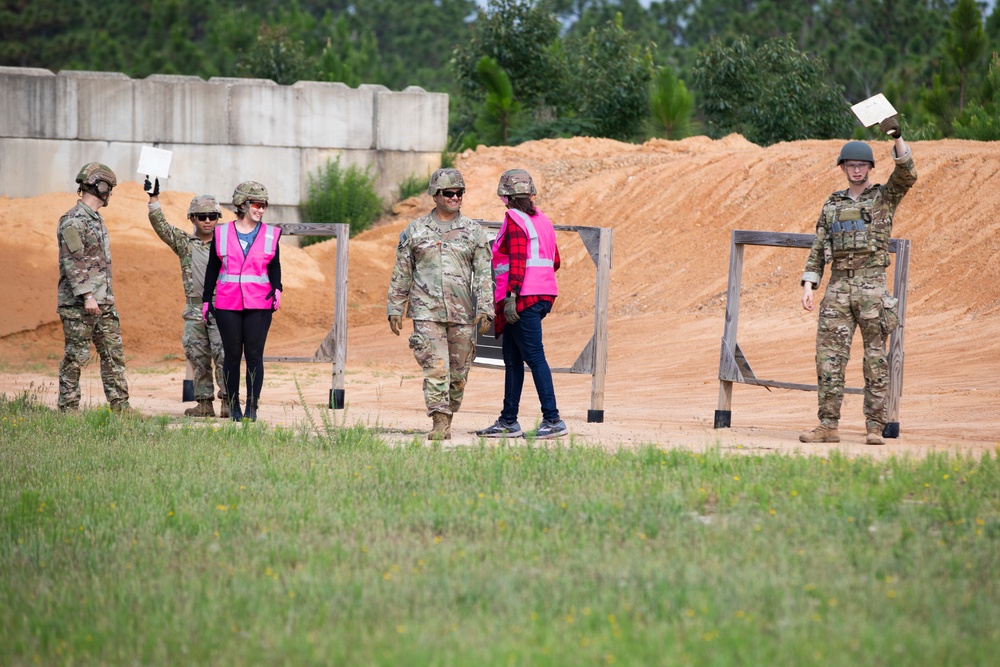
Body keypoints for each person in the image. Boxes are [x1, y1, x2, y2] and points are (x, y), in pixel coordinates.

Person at [799, 116, 917, 445]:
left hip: (872, 288)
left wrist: (897, 137)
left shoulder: (883, 198)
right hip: (837, 287)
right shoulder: (832, 205)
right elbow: (819, 245)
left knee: (876, 360)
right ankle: (827, 425)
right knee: (828, 359)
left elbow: (908, 175)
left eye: (862, 165)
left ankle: (875, 427)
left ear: (869, 168)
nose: (856, 170)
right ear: (843, 168)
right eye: (850, 165)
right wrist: (809, 283)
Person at [386, 168, 493, 440]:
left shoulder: (473, 231)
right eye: (449, 193)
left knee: (459, 373)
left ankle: (449, 412)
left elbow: (483, 273)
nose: (455, 197)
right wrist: (396, 307)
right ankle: (439, 421)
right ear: (435, 194)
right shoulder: (416, 230)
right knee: (436, 368)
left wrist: (485, 308)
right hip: (426, 310)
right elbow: (402, 271)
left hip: (463, 311)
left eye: (459, 192)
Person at [476, 169, 567, 439]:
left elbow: (517, 261)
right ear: (531, 194)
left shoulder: (514, 220)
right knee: (513, 359)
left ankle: (553, 420)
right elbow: (555, 261)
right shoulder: (543, 220)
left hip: (520, 299)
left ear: (505, 197)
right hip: (542, 296)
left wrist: (512, 297)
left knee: (535, 357)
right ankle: (508, 421)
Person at [144, 177, 229, 418]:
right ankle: (204, 404)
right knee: (198, 356)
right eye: (202, 216)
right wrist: (153, 199)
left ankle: (228, 402)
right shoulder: (184, 243)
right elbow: (161, 226)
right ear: (192, 218)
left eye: (212, 216)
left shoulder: (226, 242)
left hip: (222, 308)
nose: (208, 221)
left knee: (224, 355)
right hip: (194, 310)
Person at [56, 162, 135, 414]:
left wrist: (102, 297)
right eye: (108, 187)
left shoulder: (96, 220)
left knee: (113, 355)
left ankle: (121, 408)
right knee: (76, 357)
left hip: (104, 301)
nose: (110, 192)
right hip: (81, 304)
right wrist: (88, 295)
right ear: (99, 186)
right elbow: (73, 261)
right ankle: (68, 409)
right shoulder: (72, 220)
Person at [202, 181, 282, 422]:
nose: (261, 210)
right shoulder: (221, 232)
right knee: (232, 356)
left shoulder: (270, 233)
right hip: (228, 304)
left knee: (255, 355)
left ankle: (252, 407)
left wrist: (277, 288)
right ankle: (234, 406)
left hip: (259, 303)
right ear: (242, 205)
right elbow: (213, 267)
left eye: (264, 205)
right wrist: (207, 299)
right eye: (257, 205)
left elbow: (274, 265)